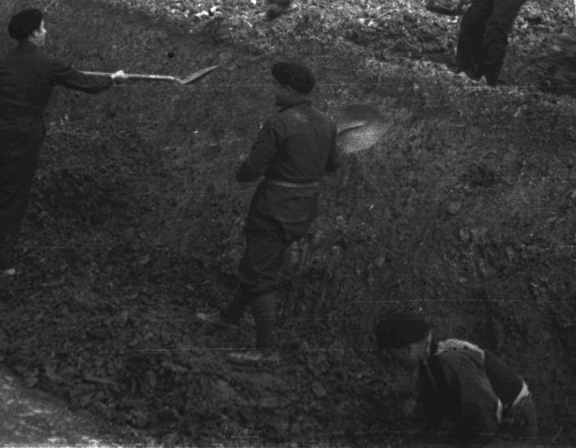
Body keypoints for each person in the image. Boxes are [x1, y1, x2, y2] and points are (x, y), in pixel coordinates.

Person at [0, 8, 125, 274]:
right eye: (43, 27)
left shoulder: (5, 62)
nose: (46, 31)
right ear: (33, 33)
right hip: (22, 138)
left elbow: (46, 77)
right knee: (11, 196)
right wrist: (112, 79)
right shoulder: (49, 64)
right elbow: (85, 83)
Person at [203, 61, 342, 365]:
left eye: (276, 85)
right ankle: (229, 317)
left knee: (260, 274)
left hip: (274, 206)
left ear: (288, 89)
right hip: (303, 209)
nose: (273, 90)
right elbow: (332, 165)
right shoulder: (327, 123)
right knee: (259, 263)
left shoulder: (279, 123)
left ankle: (267, 348)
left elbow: (252, 169)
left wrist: (241, 169)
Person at [375, 312, 538, 445]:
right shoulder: (429, 366)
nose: (397, 364)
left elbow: (486, 412)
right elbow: (427, 415)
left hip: (513, 421)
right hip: (488, 421)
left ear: (407, 350)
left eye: (395, 357)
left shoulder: (450, 361)